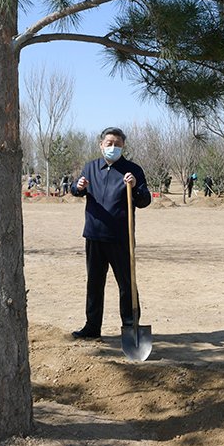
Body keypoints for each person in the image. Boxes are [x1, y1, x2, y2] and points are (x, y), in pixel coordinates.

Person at [70, 127, 150, 338]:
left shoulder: (132, 170)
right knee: (94, 283)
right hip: (94, 235)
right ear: (101, 145)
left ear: (123, 146)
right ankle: (92, 327)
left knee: (126, 284)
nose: (113, 147)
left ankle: (131, 327)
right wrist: (77, 186)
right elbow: (76, 190)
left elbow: (144, 201)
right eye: (109, 143)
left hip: (120, 237)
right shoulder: (91, 168)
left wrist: (136, 187)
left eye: (117, 144)